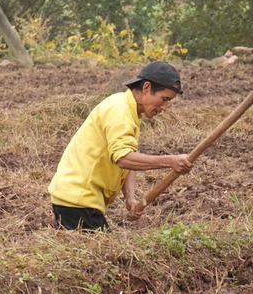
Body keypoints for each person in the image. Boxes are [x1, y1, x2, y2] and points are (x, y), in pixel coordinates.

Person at [48, 61, 194, 231]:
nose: (165, 108)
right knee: (102, 256)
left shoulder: (130, 112)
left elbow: (128, 158)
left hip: (79, 200)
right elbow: (124, 159)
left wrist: (130, 199)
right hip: (77, 200)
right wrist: (171, 161)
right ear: (146, 87)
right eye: (164, 99)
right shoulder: (119, 110)